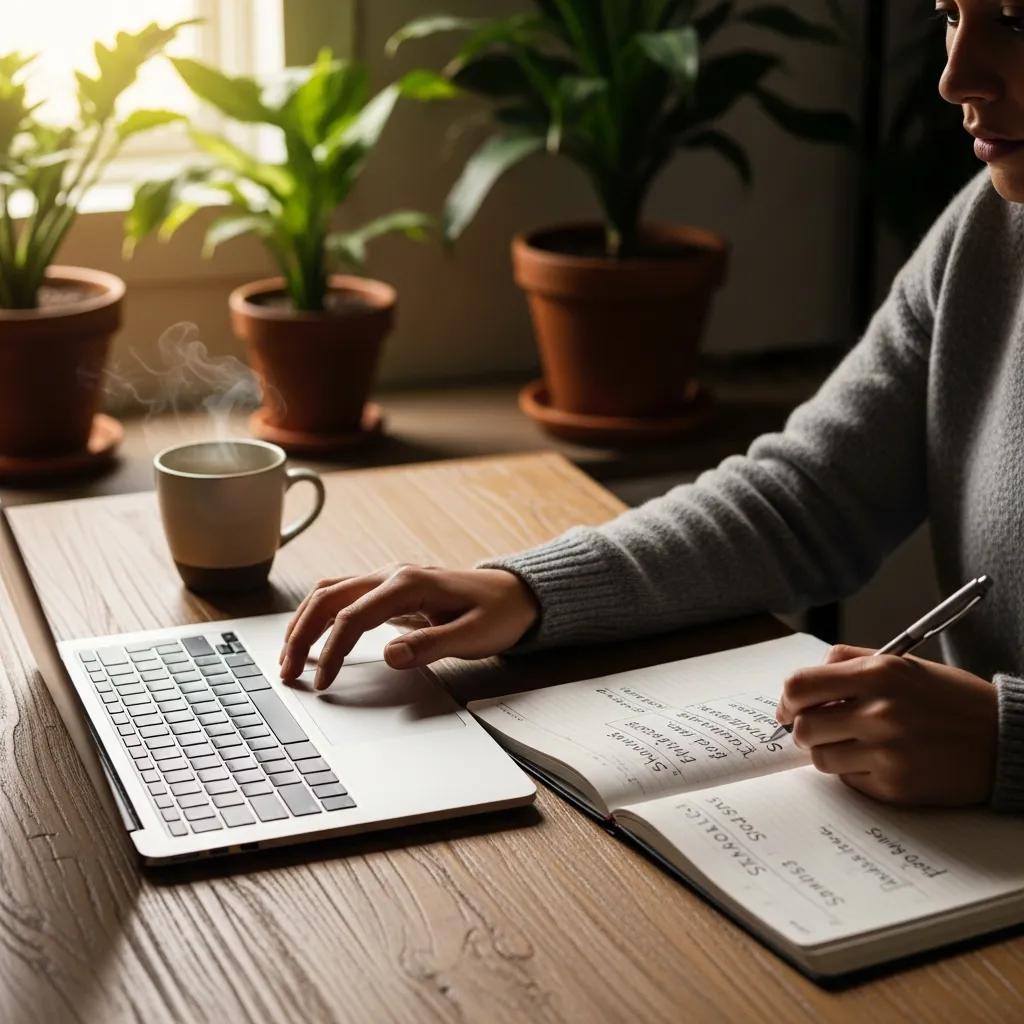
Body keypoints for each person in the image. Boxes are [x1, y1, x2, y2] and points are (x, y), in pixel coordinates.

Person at [280, 0, 1024, 811]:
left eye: (1017, 21)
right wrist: (531, 593)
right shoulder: (986, 234)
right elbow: (803, 501)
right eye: (951, 12)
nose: (956, 76)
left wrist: (1005, 741)